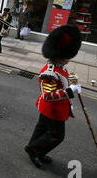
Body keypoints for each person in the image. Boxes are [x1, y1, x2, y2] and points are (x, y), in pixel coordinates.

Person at [25, 25, 82, 168]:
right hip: (52, 110)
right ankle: (34, 150)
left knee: (42, 129)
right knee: (57, 136)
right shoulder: (49, 72)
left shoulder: (60, 65)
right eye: (66, 57)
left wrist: (73, 81)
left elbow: (63, 79)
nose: (68, 60)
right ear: (59, 55)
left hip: (57, 107)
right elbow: (48, 96)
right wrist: (70, 91)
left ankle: (35, 148)